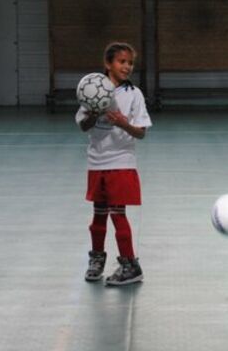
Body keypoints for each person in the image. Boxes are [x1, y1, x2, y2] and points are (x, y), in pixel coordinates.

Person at [75, 42, 152, 286]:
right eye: (122, 62)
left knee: (118, 213)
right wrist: (94, 114)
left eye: (130, 63)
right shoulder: (93, 90)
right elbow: (82, 125)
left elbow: (140, 132)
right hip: (97, 161)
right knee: (98, 215)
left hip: (121, 161)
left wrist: (123, 123)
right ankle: (97, 258)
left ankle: (130, 264)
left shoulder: (134, 94)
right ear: (108, 64)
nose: (127, 67)